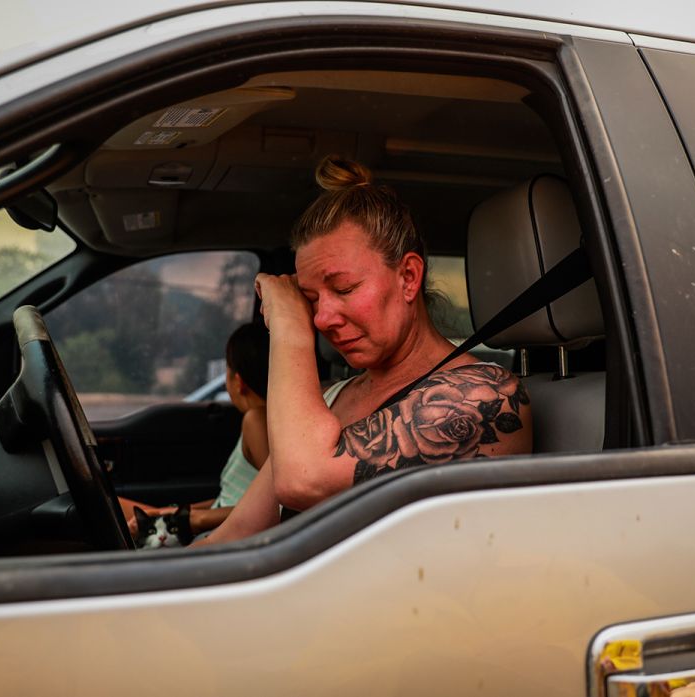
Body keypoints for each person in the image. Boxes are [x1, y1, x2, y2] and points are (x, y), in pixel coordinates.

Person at [196, 156, 532, 546]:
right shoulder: (332, 398)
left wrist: (289, 325)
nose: (321, 318)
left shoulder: (485, 396)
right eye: (309, 300)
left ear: (408, 277)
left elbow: (302, 481)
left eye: (344, 290)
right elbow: (236, 535)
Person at [119, 321, 270, 537]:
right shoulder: (260, 420)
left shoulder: (256, 420)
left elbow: (278, 504)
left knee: (94, 507)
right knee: (104, 505)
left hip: (223, 536)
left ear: (238, 381)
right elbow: (230, 500)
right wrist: (176, 511)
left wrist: (199, 519)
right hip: (221, 527)